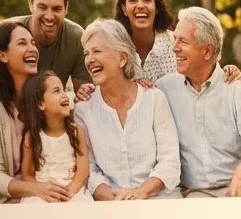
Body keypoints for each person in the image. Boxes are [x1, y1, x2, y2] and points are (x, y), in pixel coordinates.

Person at [74, 19, 181, 200]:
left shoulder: (154, 98)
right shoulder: (83, 109)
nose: (90, 60)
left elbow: (170, 162)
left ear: (122, 58)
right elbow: (89, 169)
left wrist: (140, 192)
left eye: (97, 51)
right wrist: (110, 198)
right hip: (110, 205)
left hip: (159, 201)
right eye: (86, 53)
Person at [156, 7, 241, 198]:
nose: (174, 47)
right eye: (174, 39)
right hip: (194, 194)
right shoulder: (163, 89)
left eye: (183, 41)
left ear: (207, 50)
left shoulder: (236, 89)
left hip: (236, 188)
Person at [0, 19, 71, 204]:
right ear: (2, 56)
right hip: (9, 203)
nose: (32, 48)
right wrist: (38, 189)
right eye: (22, 43)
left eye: (33, 43)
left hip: (51, 196)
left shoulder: (43, 100)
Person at [112, 0, 241, 89]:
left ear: (156, 8)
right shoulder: (115, 49)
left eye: (147, 0)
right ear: (124, 9)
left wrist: (229, 72)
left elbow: (207, 69)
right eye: (133, 0)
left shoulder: (177, 42)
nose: (140, 5)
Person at [17, 71, 92, 203]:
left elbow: (83, 170)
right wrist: (42, 191)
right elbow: (27, 174)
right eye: (57, 91)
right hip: (42, 192)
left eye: (64, 90)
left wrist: (69, 192)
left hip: (71, 190)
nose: (64, 95)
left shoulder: (77, 132)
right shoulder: (32, 137)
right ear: (41, 104)